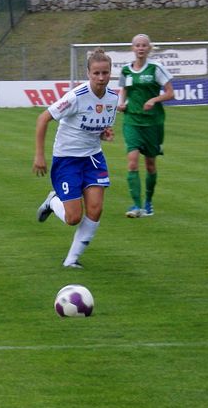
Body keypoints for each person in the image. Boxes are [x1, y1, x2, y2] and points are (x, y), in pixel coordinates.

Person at [33, 48, 118, 268]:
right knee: (73, 218)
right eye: (96, 73)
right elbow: (43, 119)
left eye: (105, 73)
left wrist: (104, 133)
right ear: (88, 73)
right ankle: (53, 201)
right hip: (67, 159)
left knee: (96, 209)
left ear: (110, 73)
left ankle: (71, 260)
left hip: (93, 158)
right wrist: (39, 155)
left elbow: (97, 126)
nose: (101, 78)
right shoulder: (75, 97)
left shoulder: (113, 98)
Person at [117, 33, 175, 217]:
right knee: (132, 162)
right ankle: (136, 206)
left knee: (150, 164)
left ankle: (148, 202)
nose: (141, 48)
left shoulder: (155, 69)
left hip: (152, 123)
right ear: (132, 48)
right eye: (137, 45)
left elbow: (170, 93)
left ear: (149, 48)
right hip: (132, 121)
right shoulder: (126, 70)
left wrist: (154, 100)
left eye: (144, 45)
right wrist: (121, 103)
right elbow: (124, 90)